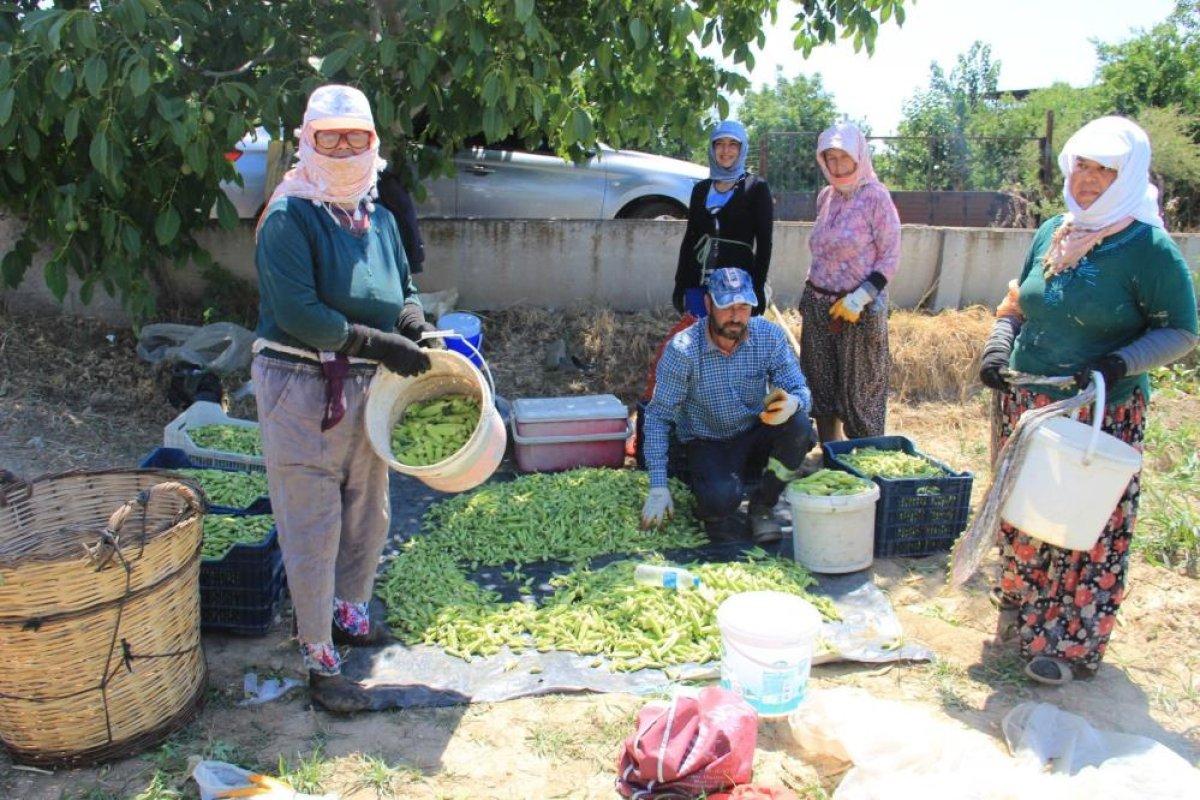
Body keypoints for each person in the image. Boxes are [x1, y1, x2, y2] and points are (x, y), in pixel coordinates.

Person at [977, 116, 1198, 686]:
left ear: (1129, 178)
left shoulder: (1147, 247)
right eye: (1084, 165)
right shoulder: (1055, 229)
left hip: (1100, 407)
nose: (1091, 179)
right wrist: (1000, 344)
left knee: (1084, 522)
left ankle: (1070, 641)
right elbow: (1018, 299)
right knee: (1026, 506)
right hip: (1029, 402)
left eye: (1107, 170)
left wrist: (1119, 363)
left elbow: (1182, 331)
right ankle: (1025, 603)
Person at [253, 85, 439, 713]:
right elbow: (298, 313)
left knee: (368, 509)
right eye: (327, 137)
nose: (340, 148)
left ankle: (351, 618)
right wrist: (377, 341)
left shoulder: (378, 215)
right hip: (301, 384)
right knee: (313, 523)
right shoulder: (290, 215)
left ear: (371, 142)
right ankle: (318, 656)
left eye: (353, 136)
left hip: (367, 385)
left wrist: (412, 318)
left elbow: (403, 284)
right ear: (307, 141)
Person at [641, 268, 815, 543]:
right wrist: (658, 487)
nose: (735, 316)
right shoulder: (683, 349)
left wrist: (795, 402)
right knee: (718, 503)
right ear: (709, 305)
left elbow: (799, 388)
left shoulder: (768, 337)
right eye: (727, 306)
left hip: (753, 431)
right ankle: (711, 493)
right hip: (707, 440)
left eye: (744, 306)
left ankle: (763, 503)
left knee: (800, 427)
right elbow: (658, 417)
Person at [801, 122, 900, 443]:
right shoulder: (826, 197)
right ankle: (832, 457)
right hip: (820, 307)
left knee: (861, 394)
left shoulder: (876, 198)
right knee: (822, 386)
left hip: (858, 309)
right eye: (831, 158)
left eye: (844, 158)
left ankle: (864, 465)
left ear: (859, 157)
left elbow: (889, 257)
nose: (838, 166)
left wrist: (860, 298)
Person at [673, 121, 774, 318]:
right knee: (700, 342)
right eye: (719, 143)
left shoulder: (756, 188)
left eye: (733, 144)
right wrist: (680, 283)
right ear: (712, 148)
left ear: (742, 148)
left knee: (731, 343)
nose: (725, 150)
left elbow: (764, 244)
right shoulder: (700, 190)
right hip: (699, 283)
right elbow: (690, 239)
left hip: (737, 286)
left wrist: (758, 287)